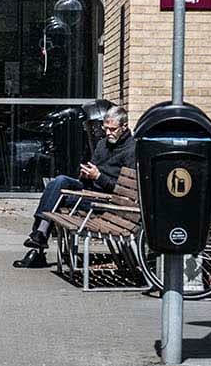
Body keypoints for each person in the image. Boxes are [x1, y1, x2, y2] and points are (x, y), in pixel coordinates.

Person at [16, 105, 133, 269]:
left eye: (112, 129)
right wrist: (85, 174)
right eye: (105, 128)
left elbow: (122, 192)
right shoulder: (102, 144)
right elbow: (92, 169)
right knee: (58, 181)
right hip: (91, 189)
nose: (108, 133)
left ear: (124, 127)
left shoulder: (131, 150)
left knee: (58, 199)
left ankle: (38, 245)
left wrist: (99, 177)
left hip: (107, 200)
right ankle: (39, 236)